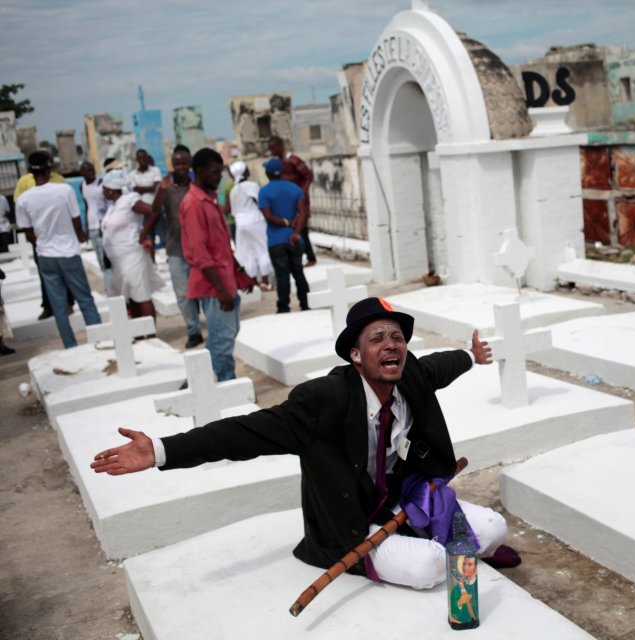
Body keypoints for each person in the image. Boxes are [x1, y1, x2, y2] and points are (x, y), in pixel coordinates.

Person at [91, 297, 514, 589]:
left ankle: (433, 532)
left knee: (493, 527)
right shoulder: (322, 402)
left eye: (397, 337)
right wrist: (161, 450)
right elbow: (244, 432)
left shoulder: (412, 376)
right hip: (349, 521)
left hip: (403, 499)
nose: (391, 345)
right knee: (427, 568)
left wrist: (471, 355)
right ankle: (426, 545)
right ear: (355, 355)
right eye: (377, 339)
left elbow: (443, 366)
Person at [178, 148, 253, 381]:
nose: (220, 177)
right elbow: (200, 254)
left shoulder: (209, 199)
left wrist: (240, 272)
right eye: (215, 172)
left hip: (225, 280)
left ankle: (198, 385)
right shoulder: (193, 204)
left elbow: (221, 246)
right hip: (213, 285)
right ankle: (221, 389)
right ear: (200, 171)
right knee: (222, 342)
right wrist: (221, 289)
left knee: (223, 338)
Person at [14, 151, 101, 348]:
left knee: (59, 307)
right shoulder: (64, 190)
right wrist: (78, 238)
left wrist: (42, 244)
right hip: (69, 252)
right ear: (50, 169)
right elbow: (76, 221)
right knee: (85, 301)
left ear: (30, 172)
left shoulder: (24, 199)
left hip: (46, 256)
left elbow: (28, 232)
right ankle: (100, 342)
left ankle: (70, 346)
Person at [141, 145, 204, 348]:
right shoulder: (166, 186)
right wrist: (143, 234)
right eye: (177, 163)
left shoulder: (198, 183)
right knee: (182, 293)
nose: (180, 167)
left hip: (199, 246)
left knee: (201, 290)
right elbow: (155, 211)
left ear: (190, 163)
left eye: (184, 163)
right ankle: (193, 330)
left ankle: (205, 320)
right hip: (176, 247)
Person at [13, 150, 72, 320]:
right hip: (39, 239)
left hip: (61, 236)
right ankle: (48, 306)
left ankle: (68, 303)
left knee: (66, 271)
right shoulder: (24, 182)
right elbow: (19, 205)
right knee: (45, 274)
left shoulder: (59, 180)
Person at [100, 170, 164, 321]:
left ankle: (150, 333)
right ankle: (139, 332)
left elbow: (154, 211)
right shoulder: (113, 206)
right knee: (130, 296)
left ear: (110, 189)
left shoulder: (130, 200)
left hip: (132, 255)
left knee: (140, 294)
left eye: (103, 188)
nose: (102, 191)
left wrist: (143, 233)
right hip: (118, 261)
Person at [259, 157, 309, 313]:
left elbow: (268, 216)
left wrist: (285, 223)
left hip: (276, 241)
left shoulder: (264, 191)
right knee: (298, 272)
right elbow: (303, 213)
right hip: (294, 239)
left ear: (267, 173)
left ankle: (283, 307)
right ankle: (305, 304)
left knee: (282, 275)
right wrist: (295, 232)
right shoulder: (295, 189)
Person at [267, 135, 316, 266]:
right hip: (290, 201)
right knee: (295, 226)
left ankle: (311, 257)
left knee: (302, 227)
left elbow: (308, 175)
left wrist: (302, 191)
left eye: (273, 148)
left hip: (299, 199)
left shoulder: (293, 160)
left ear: (280, 146)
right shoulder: (279, 163)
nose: (271, 151)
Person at [228, 160, 272, 291]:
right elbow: (259, 201)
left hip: (240, 224)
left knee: (247, 252)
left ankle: (252, 280)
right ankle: (265, 279)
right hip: (255, 220)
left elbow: (232, 209)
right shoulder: (252, 185)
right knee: (262, 248)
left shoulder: (233, 190)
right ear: (245, 172)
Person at [79, 161, 110, 293]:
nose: (92, 172)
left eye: (93, 169)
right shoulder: (82, 186)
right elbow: (87, 206)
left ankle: (110, 287)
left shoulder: (101, 183)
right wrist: (85, 228)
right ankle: (108, 283)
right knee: (100, 259)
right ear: (83, 173)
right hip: (92, 227)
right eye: (88, 170)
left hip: (102, 225)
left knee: (107, 257)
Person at [130, 149, 162, 253]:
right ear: (137, 160)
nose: (143, 160)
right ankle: (153, 261)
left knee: (162, 234)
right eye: (140, 158)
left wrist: (141, 188)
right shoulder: (132, 174)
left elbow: (157, 187)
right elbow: (134, 190)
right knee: (148, 236)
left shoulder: (155, 170)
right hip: (143, 211)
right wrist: (150, 187)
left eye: (144, 157)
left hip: (157, 209)